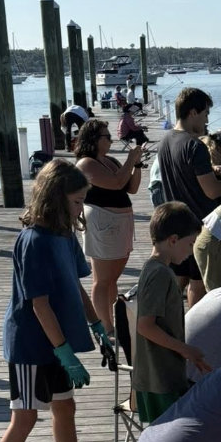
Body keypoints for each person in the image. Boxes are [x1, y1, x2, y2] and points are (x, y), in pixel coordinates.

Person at [0, 160, 116, 442]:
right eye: (75, 202)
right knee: (24, 419)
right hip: (30, 345)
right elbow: (39, 305)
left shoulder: (64, 235)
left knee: (65, 408)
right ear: (56, 200)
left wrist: (98, 326)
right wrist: (64, 354)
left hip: (57, 344)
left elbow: (74, 288)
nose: (79, 210)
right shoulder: (33, 240)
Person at [157, 87, 221, 307]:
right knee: (198, 284)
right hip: (198, 226)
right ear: (193, 112)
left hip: (174, 222)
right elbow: (212, 192)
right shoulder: (194, 146)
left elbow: (183, 176)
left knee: (180, 280)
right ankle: (194, 331)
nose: (207, 120)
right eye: (206, 113)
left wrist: (214, 173)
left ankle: (167, 323)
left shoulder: (165, 141)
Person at [131, 201, 205, 424]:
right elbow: (145, 326)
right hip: (159, 379)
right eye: (190, 244)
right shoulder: (160, 274)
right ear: (173, 240)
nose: (191, 251)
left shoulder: (153, 268)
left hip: (160, 376)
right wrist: (186, 350)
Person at [74, 117, 142, 336]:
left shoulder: (110, 160)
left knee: (112, 278)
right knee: (102, 279)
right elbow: (115, 183)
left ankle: (111, 320)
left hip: (121, 223)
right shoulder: (86, 163)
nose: (111, 140)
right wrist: (130, 159)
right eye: (107, 136)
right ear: (93, 139)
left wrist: (137, 164)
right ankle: (104, 325)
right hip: (103, 222)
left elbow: (130, 187)